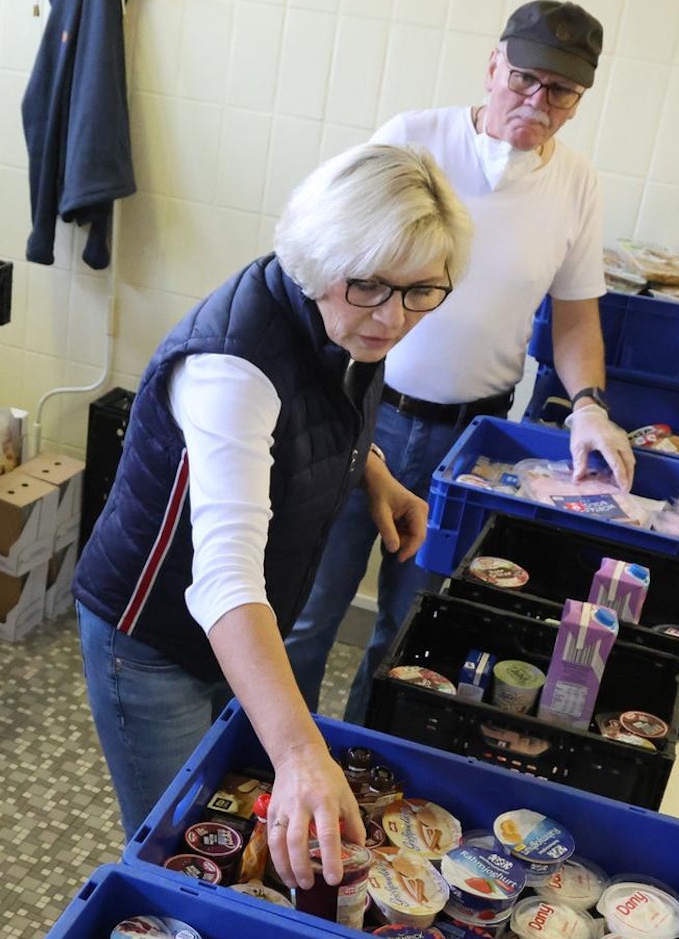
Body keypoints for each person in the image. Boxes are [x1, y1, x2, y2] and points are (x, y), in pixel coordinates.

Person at [75, 143, 473, 891]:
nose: (394, 319)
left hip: (239, 631)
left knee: (242, 830)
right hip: (153, 641)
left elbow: (319, 417)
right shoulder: (231, 367)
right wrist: (299, 753)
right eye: (373, 288)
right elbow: (222, 576)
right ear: (319, 260)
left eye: (423, 292)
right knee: (188, 858)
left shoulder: (345, 317)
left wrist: (373, 474)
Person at [285, 0, 635, 726]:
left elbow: (574, 316)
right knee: (310, 611)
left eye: (559, 91)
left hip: (469, 442)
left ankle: (361, 773)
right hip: (363, 412)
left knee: (416, 631)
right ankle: (271, 761)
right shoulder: (415, 140)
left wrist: (591, 407)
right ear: (492, 67)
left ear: (578, 103)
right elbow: (329, 263)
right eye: (524, 79)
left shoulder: (576, 185)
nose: (535, 101)